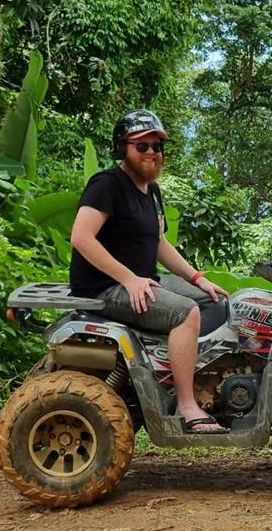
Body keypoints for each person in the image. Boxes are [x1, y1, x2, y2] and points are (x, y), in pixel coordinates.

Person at [69, 109, 229, 434]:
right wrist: (128, 279)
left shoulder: (151, 191)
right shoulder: (107, 184)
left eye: (157, 146)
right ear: (122, 148)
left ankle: (177, 375)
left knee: (217, 303)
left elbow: (159, 244)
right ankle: (186, 405)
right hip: (106, 287)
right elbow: (81, 237)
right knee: (185, 313)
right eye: (142, 146)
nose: (152, 153)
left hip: (145, 280)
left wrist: (198, 279)